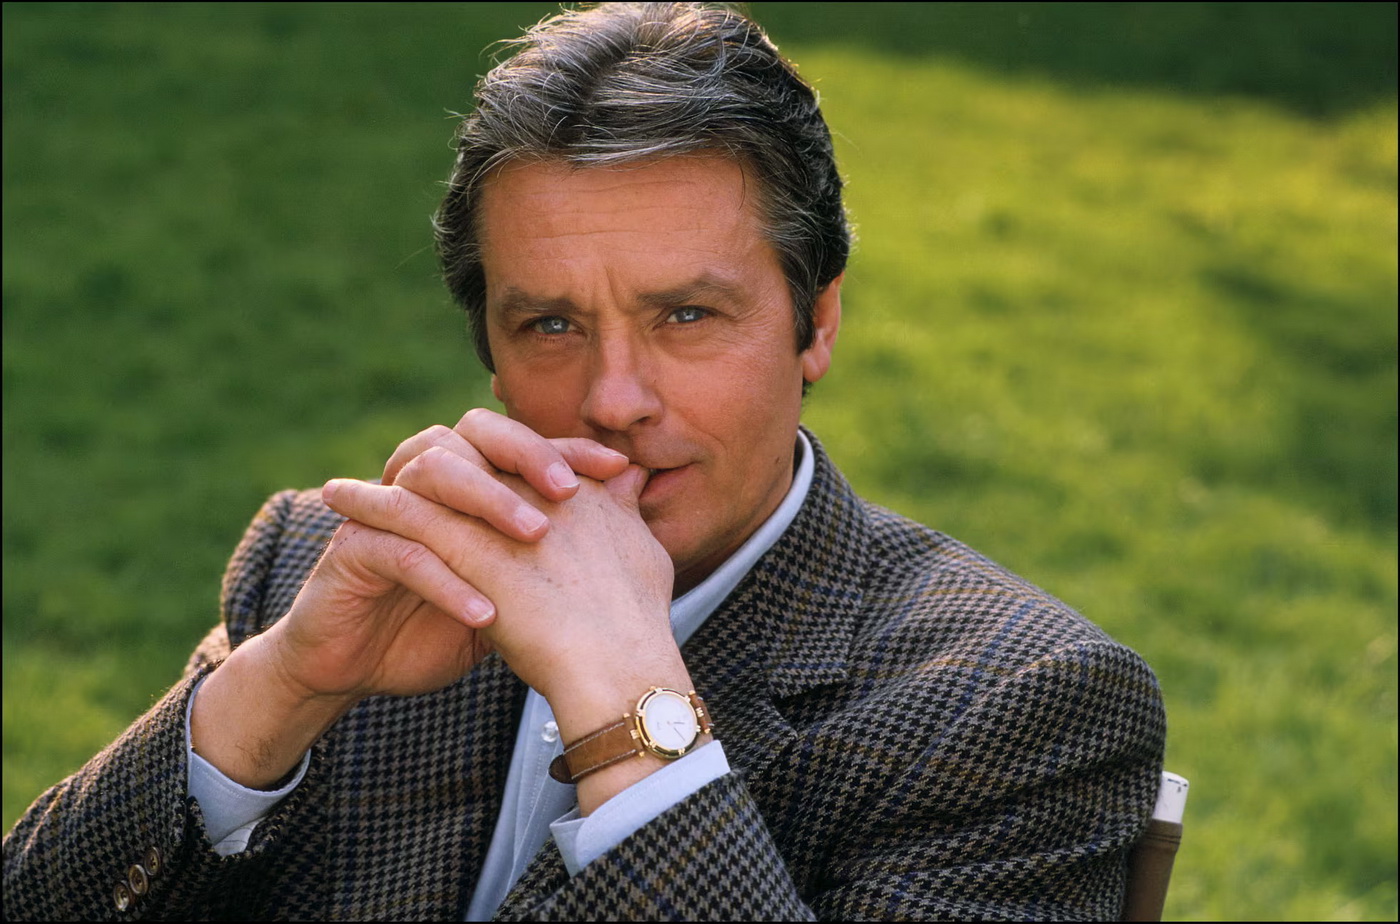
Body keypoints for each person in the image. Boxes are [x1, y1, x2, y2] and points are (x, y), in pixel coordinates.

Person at [2, 3, 1166, 920]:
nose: (613, 400)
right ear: (489, 350)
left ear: (814, 322)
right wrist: (280, 691)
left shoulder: (1016, 704)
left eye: (686, 317)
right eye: (550, 325)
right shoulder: (328, 565)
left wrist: (626, 698)